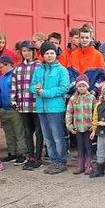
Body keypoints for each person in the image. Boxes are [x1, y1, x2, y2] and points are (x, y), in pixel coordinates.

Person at [29, 41, 70, 175]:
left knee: (57, 137)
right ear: (42, 55)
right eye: (47, 53)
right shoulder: (38, 70)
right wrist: (35, 89)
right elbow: (31, 86)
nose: (50, 55)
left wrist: (46, 93)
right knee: (48, 137)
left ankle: (61, 161)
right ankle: (54, 160)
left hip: (55, 108)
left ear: (56, 54)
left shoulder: (61, 70)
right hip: (42, 108)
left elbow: (64, 88)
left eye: (52, 53)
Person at [12, 40, 44, 171]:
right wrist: (13, 100)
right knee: (27, 131)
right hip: (23, 103)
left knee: (38, 130)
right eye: (24, 51)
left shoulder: (39, 66)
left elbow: (42, 83)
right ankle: (30, 156)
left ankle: (38, 157)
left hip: (36, 103)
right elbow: (14, 85)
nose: (26, 53)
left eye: (29, 50)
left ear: (34, 52)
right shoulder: (17, 68)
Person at [0, 55, 27, 165]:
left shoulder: (15, 75)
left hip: (14, 109)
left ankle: (21, 153)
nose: (0, 69)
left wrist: (17, 104)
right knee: (9, 133)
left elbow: (19, 91)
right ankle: (12, 153)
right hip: (4, 109)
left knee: (19, 132)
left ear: (8, 65)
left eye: (1, 67)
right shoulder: (2, 78)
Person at [65, 74, 96, 175]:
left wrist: (94, 125)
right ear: (76, 87)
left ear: (87, 86)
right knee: (80, 147)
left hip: (88, 127)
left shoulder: (91, 98)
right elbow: (69, 113)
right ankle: (80, 165)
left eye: (84, 86)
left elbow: (96, 112)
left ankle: (89, 165)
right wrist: (69, 125)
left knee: (88, 146)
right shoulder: (73, 99)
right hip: (78, 127)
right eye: (79, 86)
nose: (82, 88)